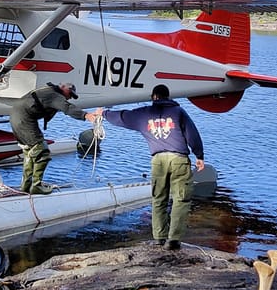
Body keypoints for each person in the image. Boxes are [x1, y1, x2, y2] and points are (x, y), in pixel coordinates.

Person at [88, 85, 205, 250]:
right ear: (168, 96)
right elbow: (192, 134)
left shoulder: (144, 114)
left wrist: (104, 114)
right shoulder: (178, 112)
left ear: (153, 97)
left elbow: (122, 117)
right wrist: (199, 155)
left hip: (158, 160)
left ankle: (159, 237)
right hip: (179, 159)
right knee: (181, 199)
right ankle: (173, 240)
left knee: (159, 199)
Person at [10, 82, 87, 194]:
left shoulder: (48, 91)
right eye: (70, 93)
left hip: (15, 115)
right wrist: (86, 115)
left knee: (29, 151)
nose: (69, 97)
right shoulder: (55, 95)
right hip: (24, 118)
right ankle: (36, 186)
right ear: (63, 88)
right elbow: (67, 108)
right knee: (42, 151)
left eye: (72, 96)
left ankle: (25, 186)